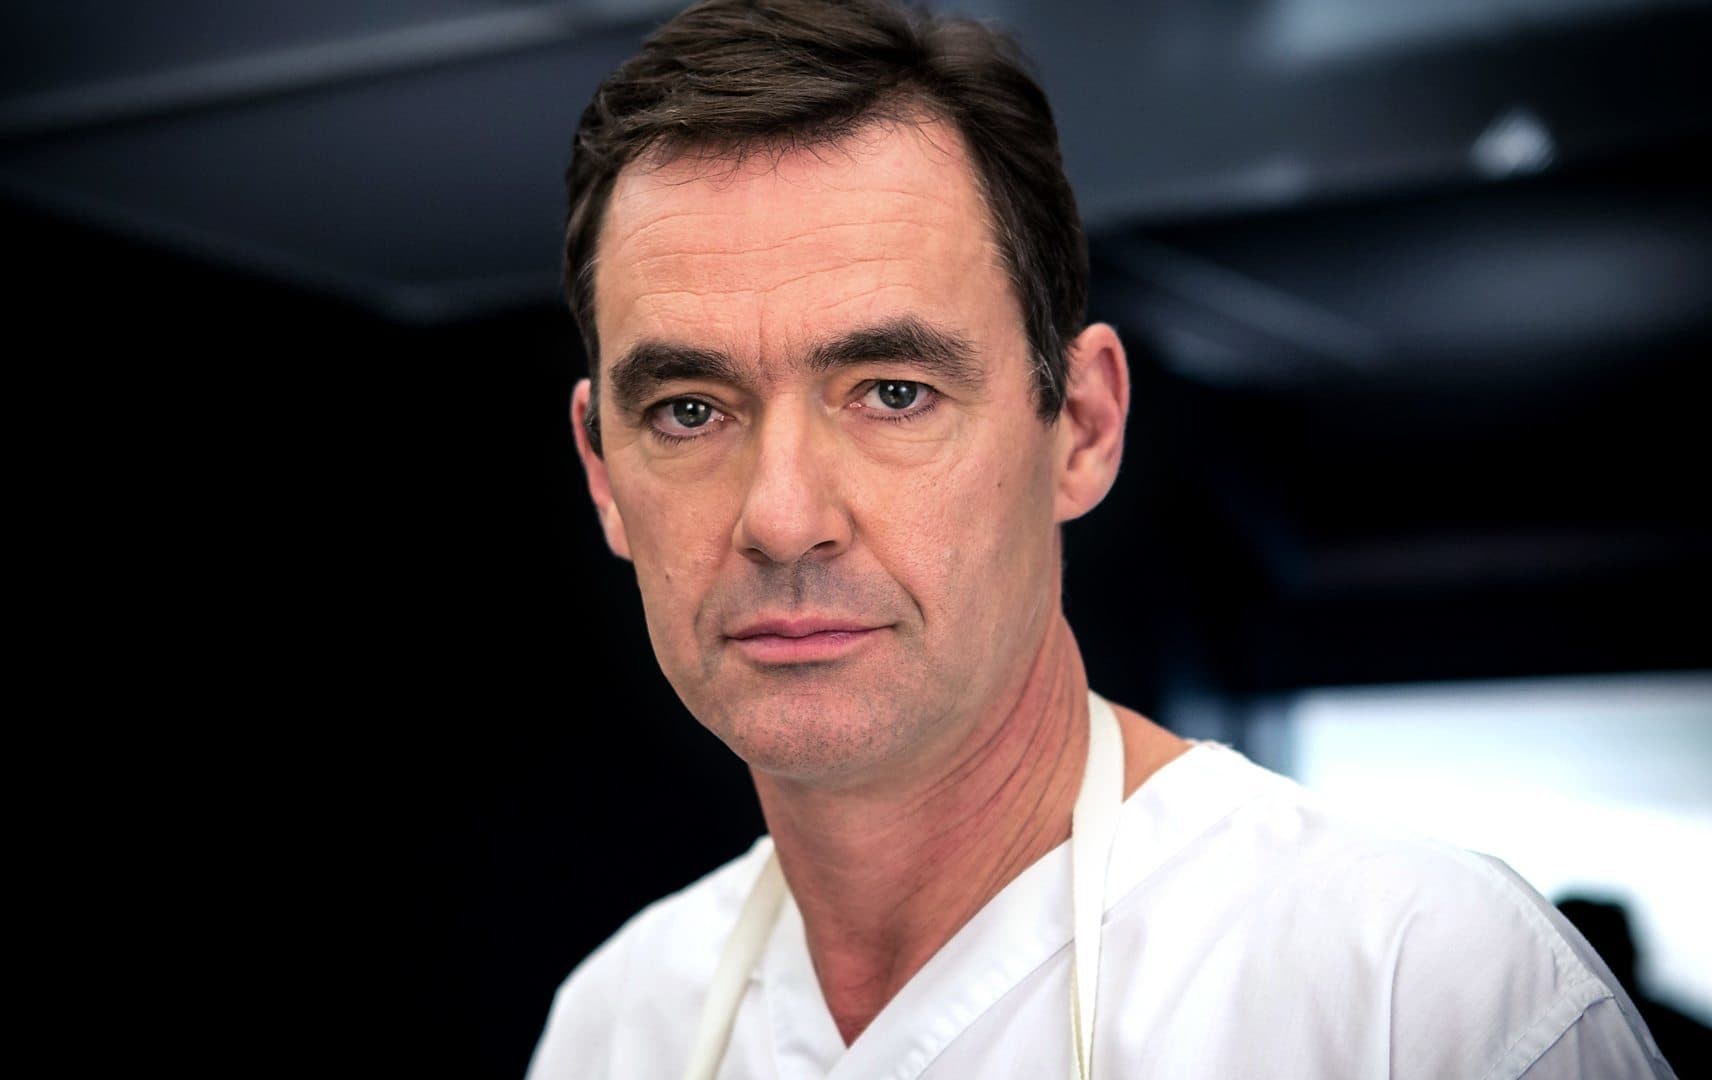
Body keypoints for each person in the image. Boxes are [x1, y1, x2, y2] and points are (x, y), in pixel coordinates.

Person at [530, 1, 1679, 1076]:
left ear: (1081, 427)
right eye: (690, 410)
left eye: (893, 393)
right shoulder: (619, 1023)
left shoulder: (1416, 988)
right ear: (604, 475)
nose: (782, 519)